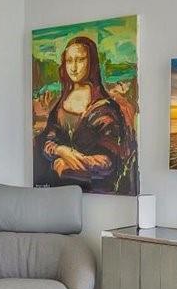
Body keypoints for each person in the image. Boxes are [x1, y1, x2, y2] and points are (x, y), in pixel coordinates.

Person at [34, 35, 133, 194]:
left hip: (96, 193)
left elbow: (109, 162)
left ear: (91, 62)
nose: (73, 67)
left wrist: (67, 164)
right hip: (58, 191)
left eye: (80, 60)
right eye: (69, 61)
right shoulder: (60, 104)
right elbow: (47, 141)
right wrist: (61, 151)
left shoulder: (105, 108)